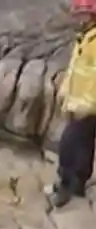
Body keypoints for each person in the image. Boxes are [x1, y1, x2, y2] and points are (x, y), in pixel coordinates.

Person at [50, 0, 96, 208]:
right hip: (77, 103)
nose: (77, 18)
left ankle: (67, 186)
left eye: (81, 14)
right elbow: (74, 71)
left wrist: (88, 106)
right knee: (83, 146)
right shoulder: (83, 39)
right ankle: (76, 186)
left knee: (69, 145)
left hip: (88, 106)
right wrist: (64, 93)